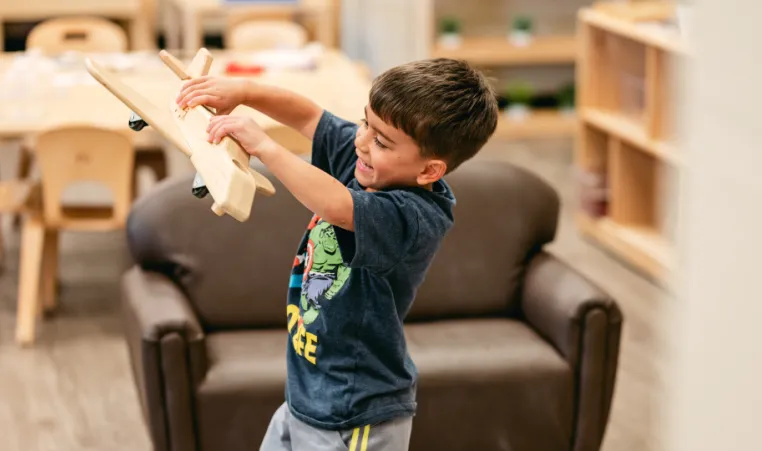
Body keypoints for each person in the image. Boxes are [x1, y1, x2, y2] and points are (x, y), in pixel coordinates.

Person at [175, 57, 499, 451]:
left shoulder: (413, 217)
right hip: (306, 397)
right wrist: (242, 92)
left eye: (381, 140)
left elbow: (338, 206)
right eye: (365, 122)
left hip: (356, 415)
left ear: (430, 171)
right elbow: (310, 115)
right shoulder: (369, 161)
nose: (361, 140)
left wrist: (265, 147)